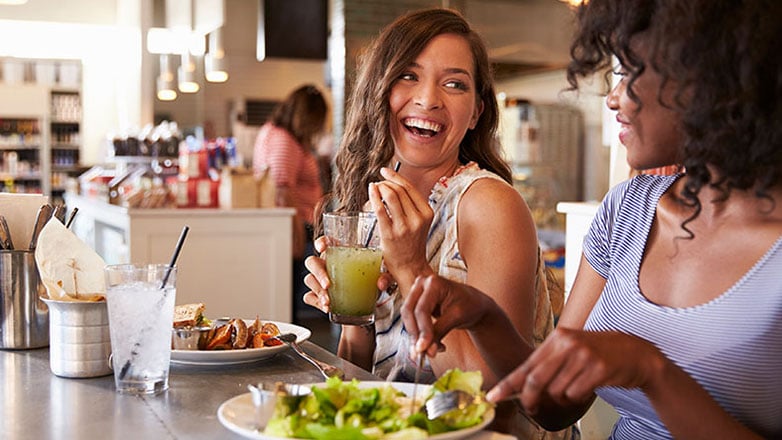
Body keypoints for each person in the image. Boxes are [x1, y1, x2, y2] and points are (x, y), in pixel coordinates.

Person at [402, 0, 782, 438]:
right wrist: (483, 316)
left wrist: (652, 370)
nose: (614, 98)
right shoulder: (628, 210)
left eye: (631, 72)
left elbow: (641, 370)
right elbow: (551, 408)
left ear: (712, 79)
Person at [302, 8, 571, 438]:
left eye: (454, 83)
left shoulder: (488, 204)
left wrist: (411, 269)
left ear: (477, 111)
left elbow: (490, 396)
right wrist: (352, 314)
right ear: (379, 90)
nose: (428, 99)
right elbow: (364, 373)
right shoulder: (374, 205)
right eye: (408, 75)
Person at [253, 84, 329, 323]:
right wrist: (296, 236)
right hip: (295, 227)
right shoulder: (283, 140)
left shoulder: (276, 133)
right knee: (295, 299)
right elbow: (283, 190)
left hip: (297, 225)